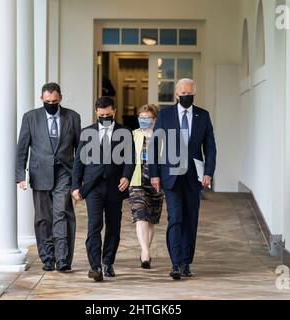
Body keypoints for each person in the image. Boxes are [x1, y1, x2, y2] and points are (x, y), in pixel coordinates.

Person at [149, 78, 216, 280]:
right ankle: (176, 263)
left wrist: (208, 172)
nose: (187, 96)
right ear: (176, 94)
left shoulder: (203, 115)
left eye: (190, 94)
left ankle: (186, 262)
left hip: (193, 177)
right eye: (184, 93)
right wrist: (154, 173)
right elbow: (154, 145)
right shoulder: (166, 114)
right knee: (175, 218)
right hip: (170, 176)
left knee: (190, 220)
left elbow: (210, 147)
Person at [16, 83, 81, 272]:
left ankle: (63, 259)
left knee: (62, 214)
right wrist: (21, 174)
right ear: (41, 99)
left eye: (54, 101)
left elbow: (80, 149)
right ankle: (47, 258)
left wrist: (80, 177)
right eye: (47, 101)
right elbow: (22, 147)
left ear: (60, 98)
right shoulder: (30, 117)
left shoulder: (73, 117)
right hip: (40, 173)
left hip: (64, 172)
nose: (51, 104)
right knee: (43, 218)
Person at [72, 97, 135, 281]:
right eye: (101, 115)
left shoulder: (125, 132)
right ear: (96, 114)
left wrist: (127, 176)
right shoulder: (87, 133)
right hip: (93, 187)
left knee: (113, 226)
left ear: (114, 111)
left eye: (108, 115)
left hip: (115, 185)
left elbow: (130, 158)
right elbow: (78, 162)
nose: (105, 118)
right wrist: (75, 185)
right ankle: (95, 266)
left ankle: (108, 262)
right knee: (94, 226)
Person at [128, 104, 164, 269]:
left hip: (157, 181)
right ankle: (145, 253)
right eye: (141, 118)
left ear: (155, 119)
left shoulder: (162, 137)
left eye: (147, 118)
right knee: (141, 215)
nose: (143, 120)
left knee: (150, 219)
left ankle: (146, 250)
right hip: (137, 180)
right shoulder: (133, 135)